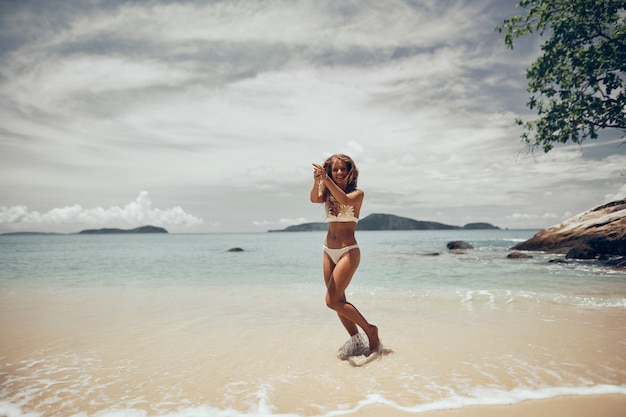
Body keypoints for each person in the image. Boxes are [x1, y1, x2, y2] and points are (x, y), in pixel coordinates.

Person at [310, 154, 380, 354]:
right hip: (327, 250)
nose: (339, 172)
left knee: (332, 301)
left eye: (343, 169)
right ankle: (356, 340)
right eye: (335, 169)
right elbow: (315, 199)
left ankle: (370, 330)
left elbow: (344, 200)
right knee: (338, 301)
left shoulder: (357, 194)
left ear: (350, 172)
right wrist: (317, 183)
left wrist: (326, 180)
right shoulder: (327, 191)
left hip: (348, 251)